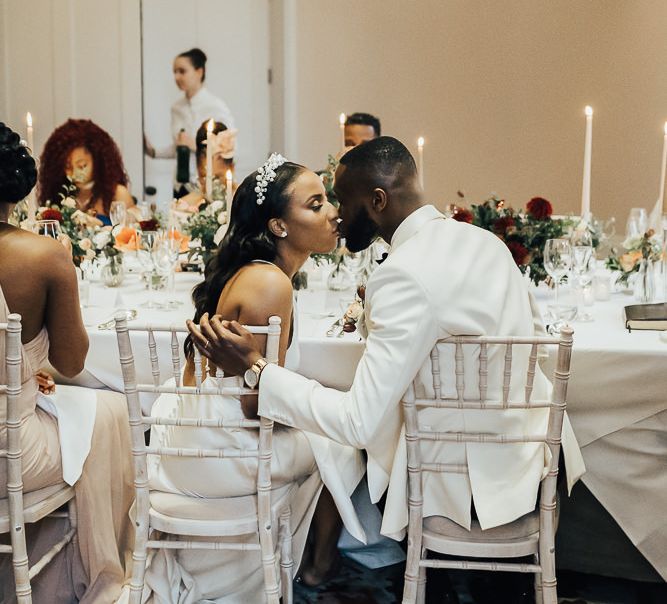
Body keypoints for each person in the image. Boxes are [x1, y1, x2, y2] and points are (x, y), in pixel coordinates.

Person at [189, 136, 586, 542]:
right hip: (534, 460)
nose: (338, 216)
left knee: (355, 439)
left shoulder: (403, 274)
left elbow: (358, 422)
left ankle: (344, 560)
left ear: (377, 201)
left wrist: (257, 368)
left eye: (341, 200)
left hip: (469, 484)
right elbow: (536, 344)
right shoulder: (487, 241)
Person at [138, 154, 364, 602]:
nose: (334, 212)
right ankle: (318, 563)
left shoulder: (257, 273)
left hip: (199, 441)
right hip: (226, 453)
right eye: (315, 204)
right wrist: (313, 413)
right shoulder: (270, 284)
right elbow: (256, 404)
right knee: (347, 433)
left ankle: (310, 560)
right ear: (279, 226)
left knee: (330, 421)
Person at [0, 122, 135, 602]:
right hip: (11, 457)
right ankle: (98, 576)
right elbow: (73, 360)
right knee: (112, 410)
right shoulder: (41, 255)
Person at [144, 47, 235, 190]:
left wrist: (195, 144)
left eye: (182, 71)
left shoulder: (216, 106)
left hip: (206, 184)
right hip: (180, 184)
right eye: (174, 72)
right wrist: (153, 152)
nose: (177, 77)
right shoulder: (176, 108)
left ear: (199, 72)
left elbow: (229, 148)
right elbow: (179, 147)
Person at [38, 118, 136, 226]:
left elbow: (132, 234)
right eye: (67, 167)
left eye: (82, 165)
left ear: (98, 161)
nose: (75, 172)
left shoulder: (117, 194)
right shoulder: (59, 195)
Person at [174, 119, 238, 214]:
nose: (219, 186)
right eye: (214, 179)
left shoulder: (244, 199)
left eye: (219, 178)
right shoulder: (185, 206)